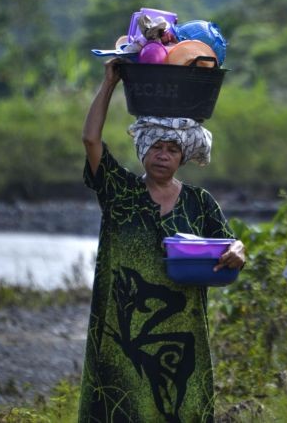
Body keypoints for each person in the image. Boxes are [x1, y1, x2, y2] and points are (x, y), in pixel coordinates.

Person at [78, 58, 245, 422]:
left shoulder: (200, 202)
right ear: (143, 151)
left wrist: (237, 252)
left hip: (181, 337)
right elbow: (91, 139)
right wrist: (109, 84)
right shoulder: (119, 192)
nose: (163, 155)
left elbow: (231, 244)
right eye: (156, 147)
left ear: (182, 156)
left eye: (171, 149)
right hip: (122, 338)